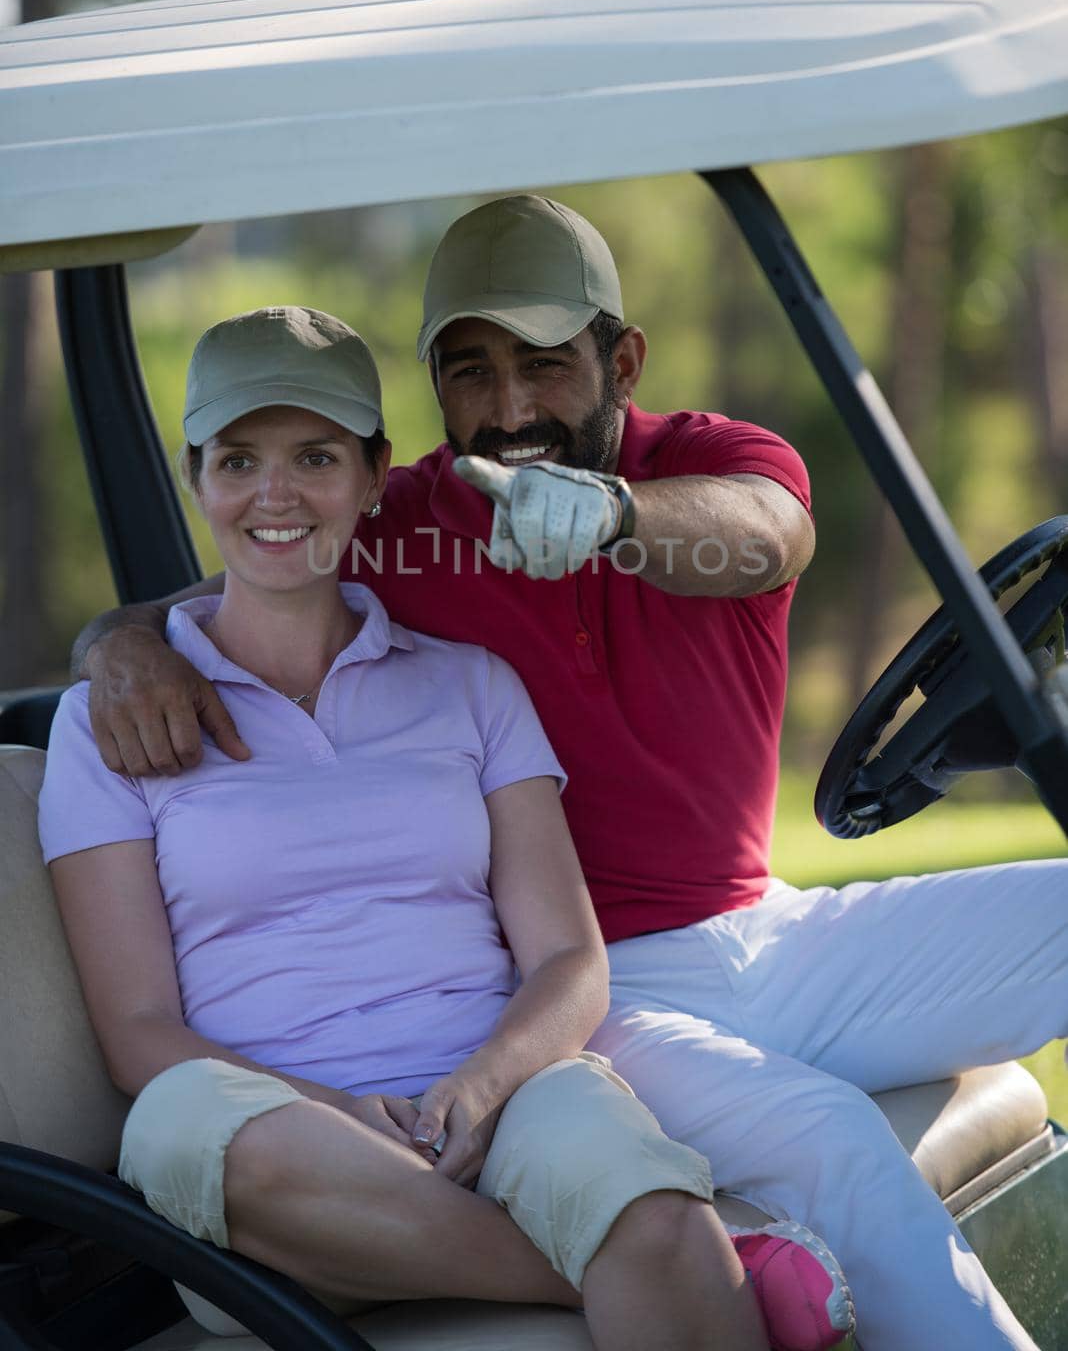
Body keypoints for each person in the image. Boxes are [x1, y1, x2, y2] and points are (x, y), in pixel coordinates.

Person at [74, 197, 1067, 1351]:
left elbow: (760, 534)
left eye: (544, 363)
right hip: (603, 992)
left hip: (770, 930)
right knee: (835, 1143)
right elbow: (247, 575)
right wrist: (116, 641)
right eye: (471, 371)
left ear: (622, 358)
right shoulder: (404, 524)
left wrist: (609, 519)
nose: (509, 407)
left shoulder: (714, 467)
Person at [41, 304, 856, 1351]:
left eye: (317, 457)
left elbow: (568, 955)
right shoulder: (111, 717)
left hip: (499, 1102)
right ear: (197, 475)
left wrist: (476, 1089)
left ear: (378, 476)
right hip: (276, 1162)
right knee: (188, 1120)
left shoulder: (471, 685)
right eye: (238, 459)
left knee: (642, 1203)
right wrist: (348, 1116)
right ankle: (644, 1273)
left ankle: (650, 1254)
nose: (275, 495)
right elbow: (137, 1034)